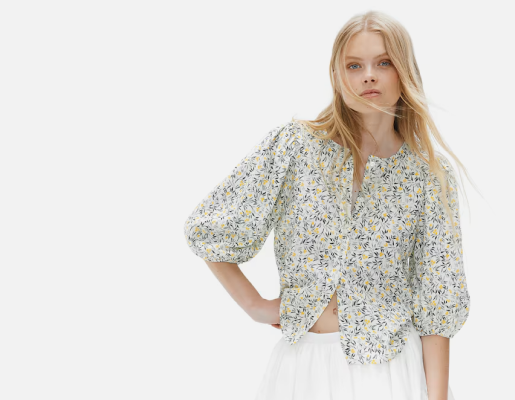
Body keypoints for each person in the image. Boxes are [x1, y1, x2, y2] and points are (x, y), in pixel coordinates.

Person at [182, 10, 472, 400]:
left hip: (388, 371)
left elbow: (437, 303)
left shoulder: (429, 177)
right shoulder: (295, 147)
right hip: (302, 369)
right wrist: (255, 306)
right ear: (337, 76)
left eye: (383, 63)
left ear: (404, 72)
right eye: (354, 65)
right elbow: (209, 228)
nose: (368, 76)